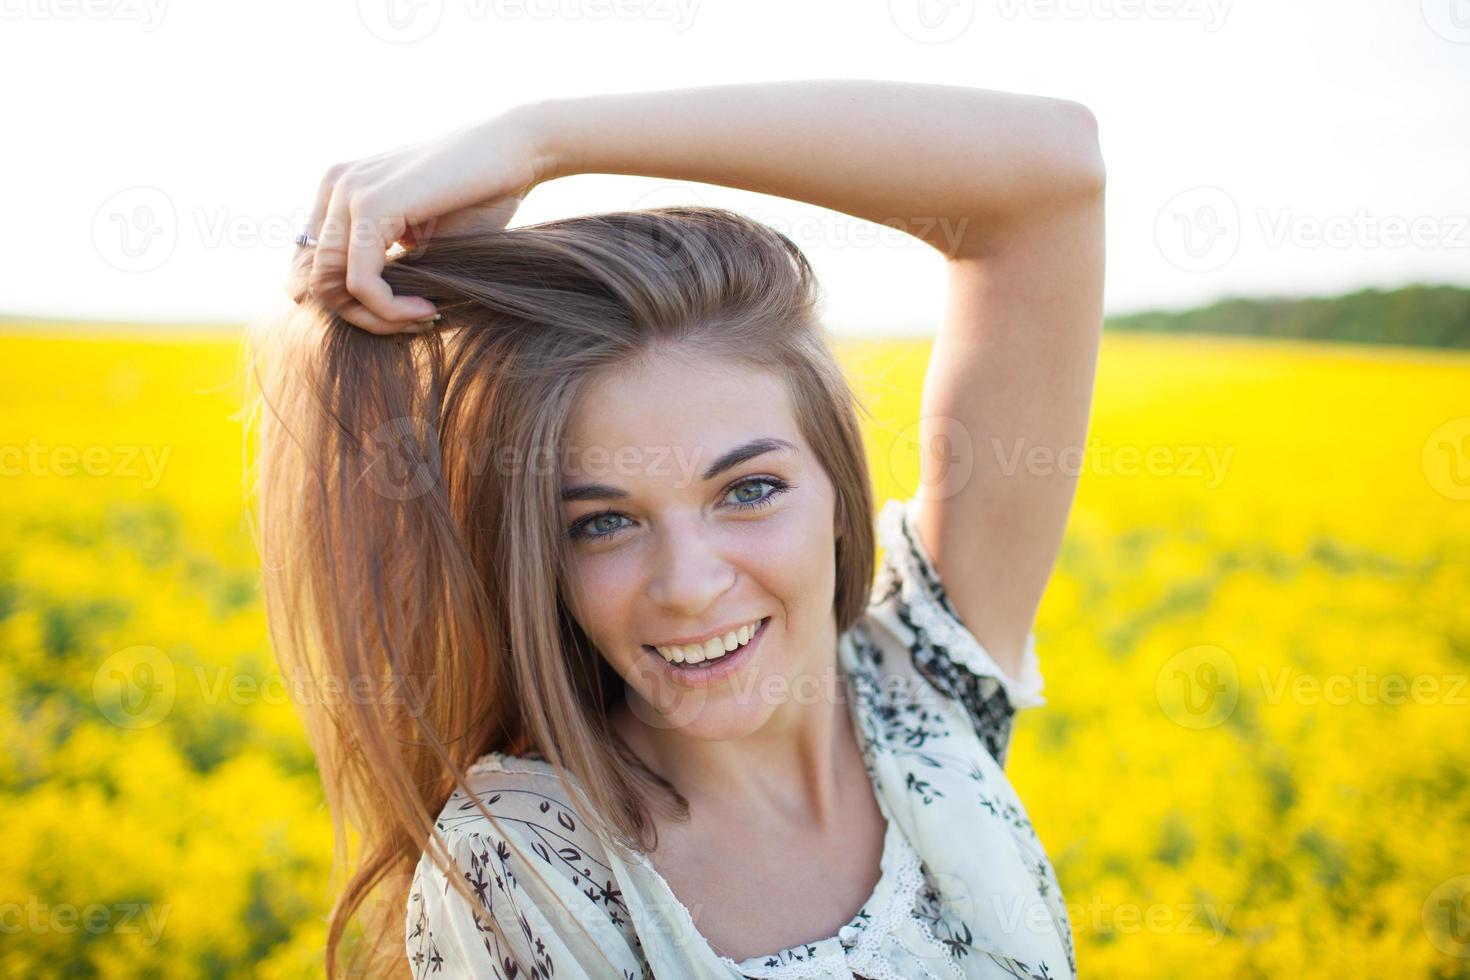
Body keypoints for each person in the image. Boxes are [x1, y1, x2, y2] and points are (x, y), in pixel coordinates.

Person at [247, 79, 1104, 979]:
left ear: (840, 493)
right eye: (604, 522)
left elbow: (1055, 174)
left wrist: (540, 136)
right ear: (544, 562)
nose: (690, 584)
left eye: (749, 490)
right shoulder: (523, 865)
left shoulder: (924, 676)